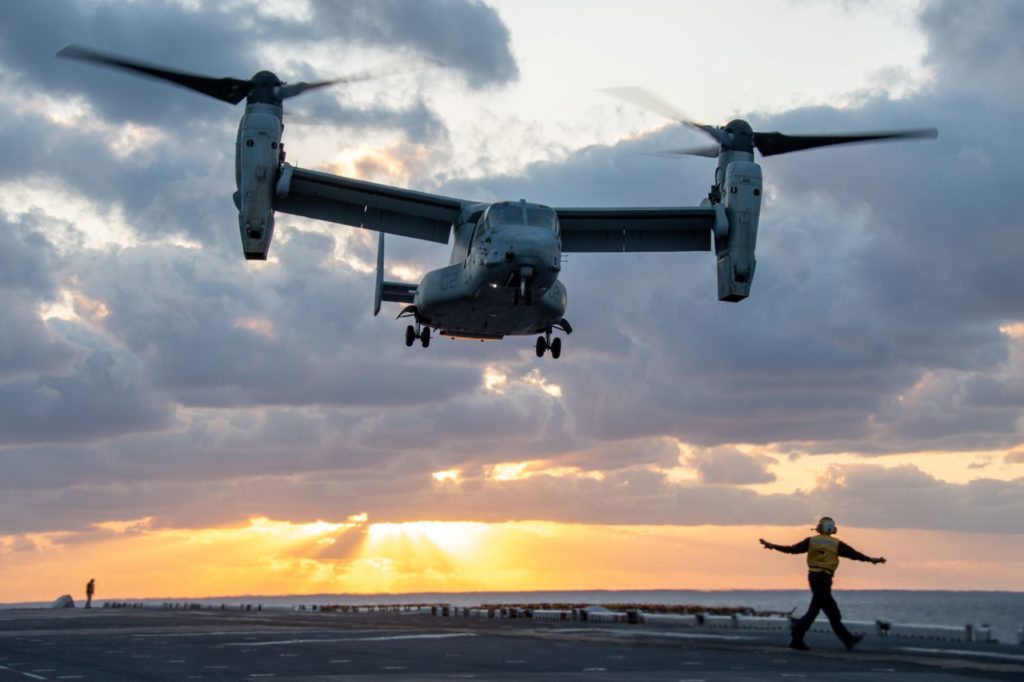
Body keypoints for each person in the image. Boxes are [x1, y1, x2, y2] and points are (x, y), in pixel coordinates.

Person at [759, 517, 885, 651]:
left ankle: (800, 638)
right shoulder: (836, 544)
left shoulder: (811, 541)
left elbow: (792, 550)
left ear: (820, 527)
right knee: (830, 612)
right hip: (824, 579)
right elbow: (854, 555)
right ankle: (843, 639)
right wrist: (871, 560)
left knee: (819, 611)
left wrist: (773, 546)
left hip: (814, 578)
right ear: (832, 528)